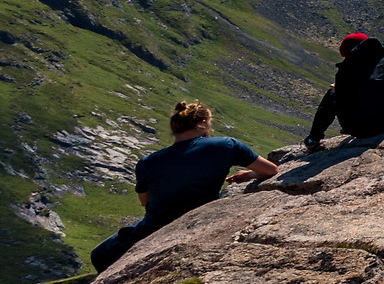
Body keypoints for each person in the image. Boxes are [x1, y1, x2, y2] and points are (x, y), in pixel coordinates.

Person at [90, 101, 278, 273]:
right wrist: (249, 175)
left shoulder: (147, 162)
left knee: (99, 255)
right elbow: (270, 170)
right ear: (203, 123)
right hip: (203, 218)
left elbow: (145, 202)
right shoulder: (226, 145)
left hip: (155, 228)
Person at [305, 32, 384, 149]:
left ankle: (313, 139)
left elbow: (343, 102)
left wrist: (338, 89)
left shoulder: (346, 71)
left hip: (361, 129)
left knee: (332, 94)